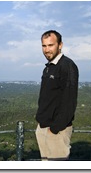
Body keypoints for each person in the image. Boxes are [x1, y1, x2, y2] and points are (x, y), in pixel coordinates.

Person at [35, 30, 79, 161]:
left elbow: (70, 102)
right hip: (43, 127)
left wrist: (54, 129)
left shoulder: (67, 66)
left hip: (57, 131)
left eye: (51, 45)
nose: (47, 50)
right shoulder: (48, 67)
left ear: (60, 45)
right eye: (44, 46)